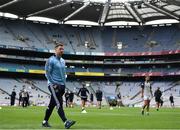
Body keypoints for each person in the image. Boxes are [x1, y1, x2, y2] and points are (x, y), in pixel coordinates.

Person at [42, 43, 76, 129]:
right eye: (60, 49)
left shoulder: (63, 61)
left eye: (62, 49)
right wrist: (53, 83)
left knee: (52, 104)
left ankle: (44, 121)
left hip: (62, 85)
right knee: (59, 103)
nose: (62, 51)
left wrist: (64, 84)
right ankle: (66, 122)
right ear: (55, 50)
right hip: (54, 85)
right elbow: (47, 73)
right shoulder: (50, 60)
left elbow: (63, 73)